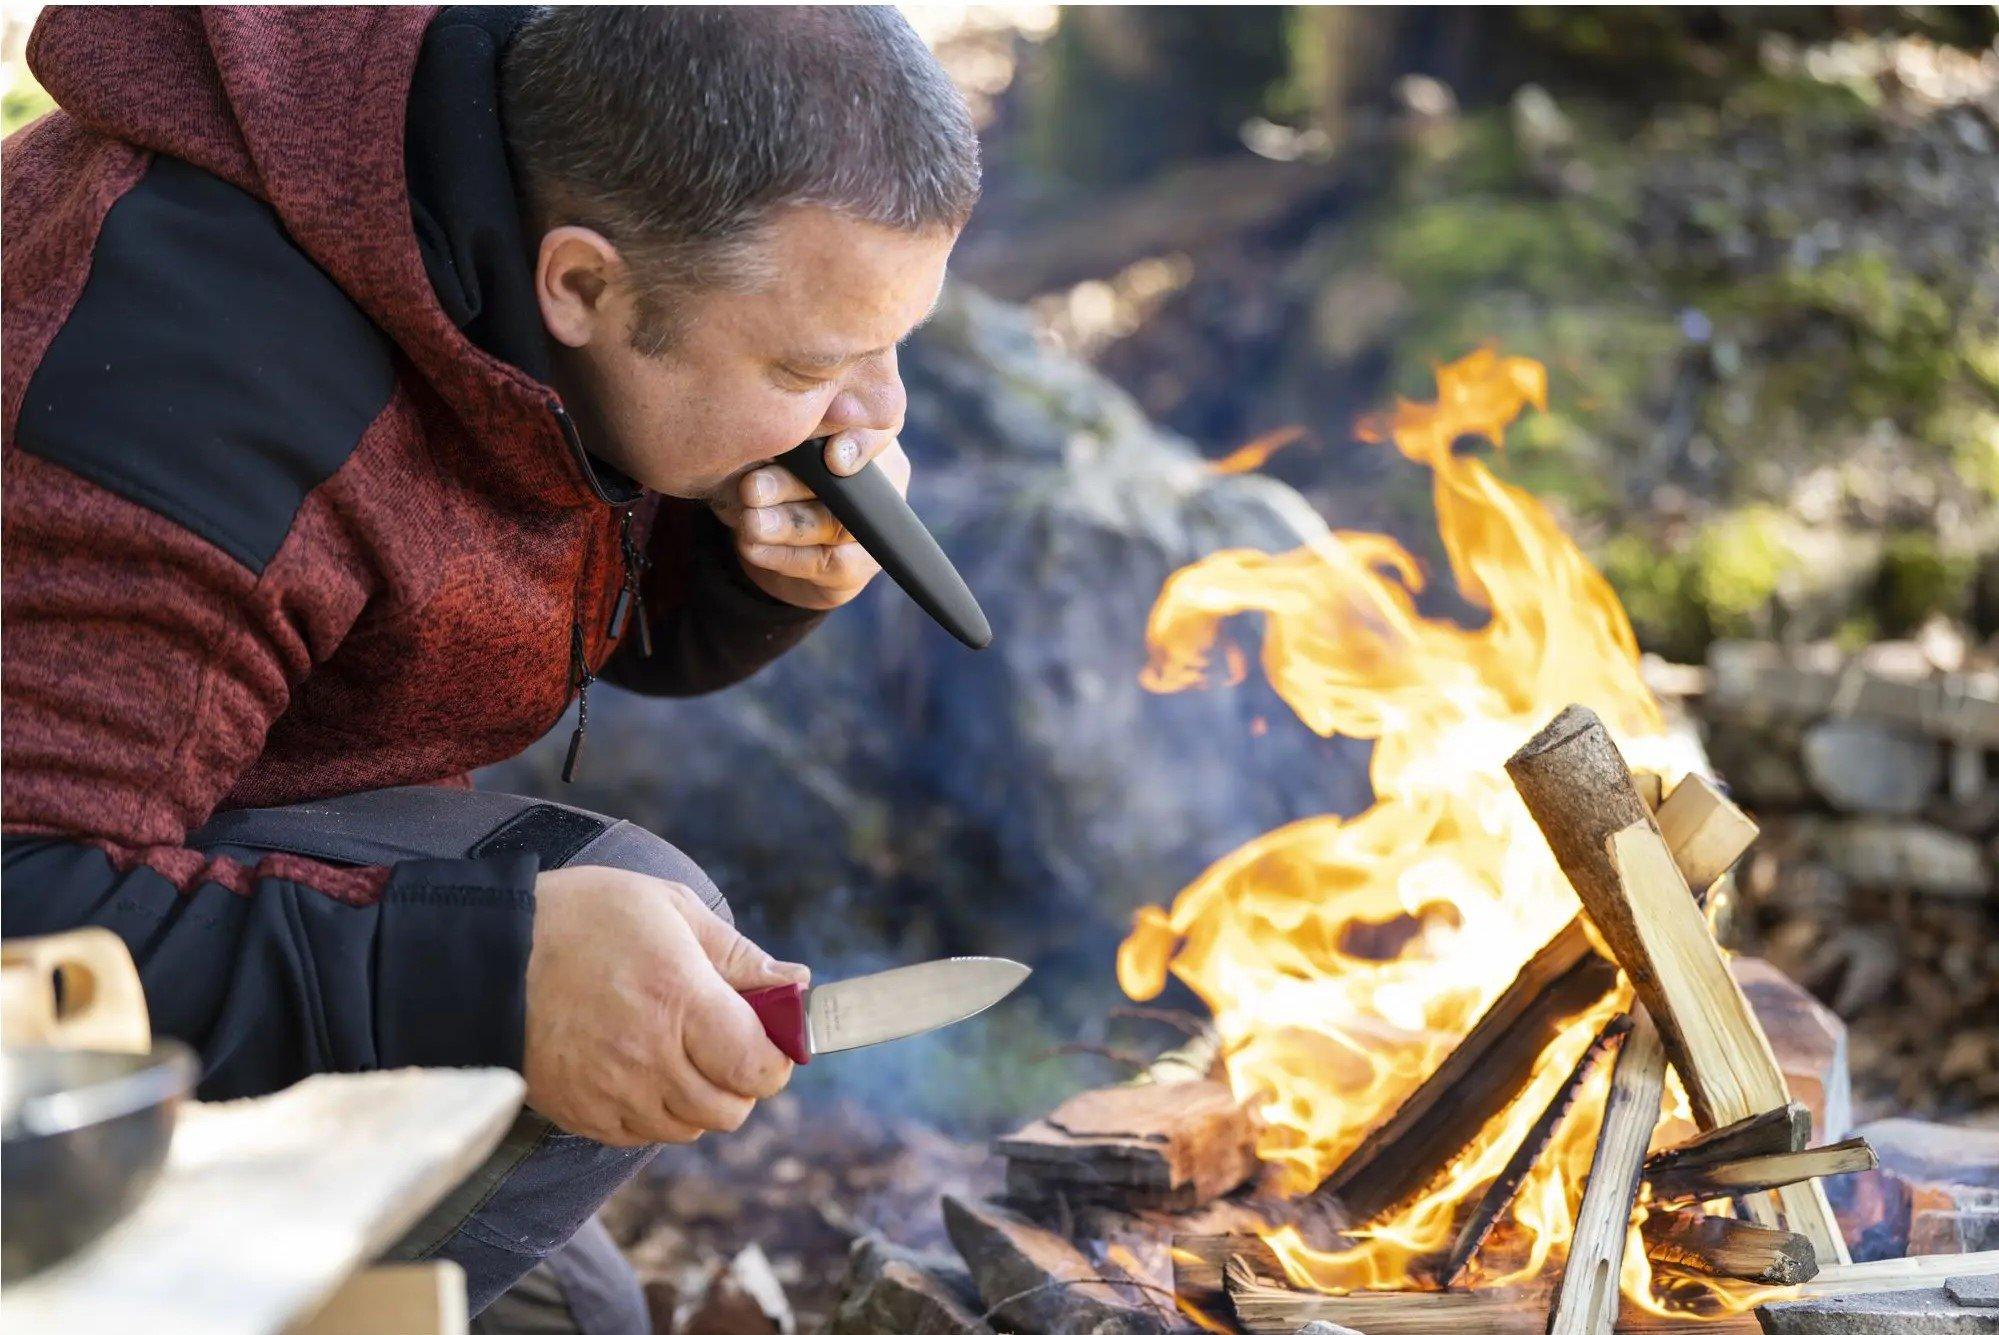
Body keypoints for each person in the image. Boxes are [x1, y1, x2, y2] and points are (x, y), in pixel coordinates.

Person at [0, 7, 979, 1331]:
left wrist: (746, 580)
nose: (875, 418)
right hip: (45, 960)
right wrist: (480, 971)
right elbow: (23, 906)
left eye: (888, 345)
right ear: (578, 286)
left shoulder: (527, 190)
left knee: (567, 1319)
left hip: (181, 839)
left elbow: (460, 623)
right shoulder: (177, 398)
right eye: (810, 363)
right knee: (618, 911)